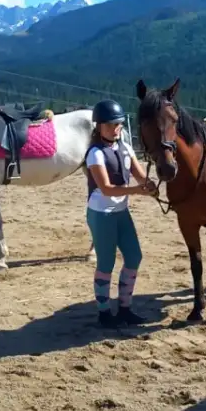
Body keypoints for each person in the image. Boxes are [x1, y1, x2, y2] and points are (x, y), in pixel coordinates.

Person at [85, 99, 158, 328]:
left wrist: (151, 184)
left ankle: (125, 307)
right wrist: (138, 191)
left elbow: (138, 175)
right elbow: (106, 188)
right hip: (101, 213)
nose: (114, 128)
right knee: (105, 263)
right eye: (109, 125)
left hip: (121, 212)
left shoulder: (125, 148)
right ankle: (104, 312)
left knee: (134, 257)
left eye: (117, 124)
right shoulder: (95, 154)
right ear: (99, 126)